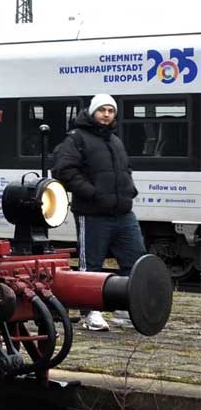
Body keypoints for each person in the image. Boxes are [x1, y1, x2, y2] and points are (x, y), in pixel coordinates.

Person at [51, 93, 144, 331]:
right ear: (93, 112)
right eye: (102, 110)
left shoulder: (115, 141)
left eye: (110, 111)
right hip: (92, 213)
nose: (106, 114)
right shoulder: (77, 138)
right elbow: (63, 170)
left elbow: (126, 169)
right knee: (90, 265)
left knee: (134, 260)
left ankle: (126, 307)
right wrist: (92, 193)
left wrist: (129, 190)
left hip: (123, 212)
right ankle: (90, 313)